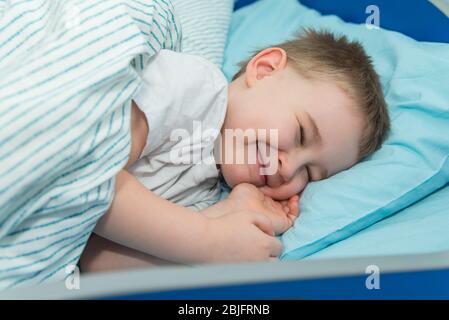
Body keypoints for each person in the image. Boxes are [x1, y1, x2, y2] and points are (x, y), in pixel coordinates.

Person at [80, 30, 390, 272]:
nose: (288, 168)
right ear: (265, 70)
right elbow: (89, 172)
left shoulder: (204, 193)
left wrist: (226, 219)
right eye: (300, 133)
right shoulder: (194, 88)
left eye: (309, 173)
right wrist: (207, 241)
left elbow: (93, 261)